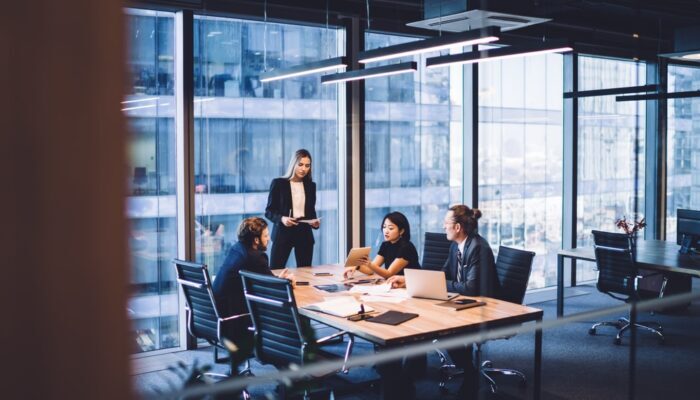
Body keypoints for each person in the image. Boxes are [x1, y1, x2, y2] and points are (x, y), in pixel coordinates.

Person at [387, 204, 497, 398]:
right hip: (463, 302)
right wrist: (408, 280)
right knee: (423, 326)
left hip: (486, 307)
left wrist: (441, 284)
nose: (443, 226)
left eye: (446, 223)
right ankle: (404, 382)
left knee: (442, 329)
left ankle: (468, 374)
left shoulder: (478, 248)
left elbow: (471, 288)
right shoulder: (456, 246)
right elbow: (443, 274)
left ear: (457, 228)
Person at [212, 217, 294, 348]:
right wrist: (283, 282)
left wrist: (277, 280)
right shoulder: (256, 256)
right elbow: (273, 289)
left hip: (216, 313)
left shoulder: (236, 249)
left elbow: (263, 279)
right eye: (266, 236)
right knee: (287, 308)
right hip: (233, 318)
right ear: (256, 240)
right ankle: (289, 351)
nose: (269, 239)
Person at [265, 149, 320, 268]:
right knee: (275, 270)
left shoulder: (311, 186)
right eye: (300, 164)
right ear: (293, 164)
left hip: (304, 234)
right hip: (283, 233)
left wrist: (314, 222)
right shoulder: (278, 183)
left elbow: (311, 211)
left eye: (307, 165)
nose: (303, 169)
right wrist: (282, 219)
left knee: (305, 272)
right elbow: (269, 211)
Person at [343, 211, 420, 279]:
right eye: (384, 227)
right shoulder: (386, 245)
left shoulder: (406, 247)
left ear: (401, 231)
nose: (386, 231)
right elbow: (370, 270)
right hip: (394, 285)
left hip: (412, 285)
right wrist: (357, 266)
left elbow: (389, 274)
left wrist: (369, 264)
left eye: (390, 228)